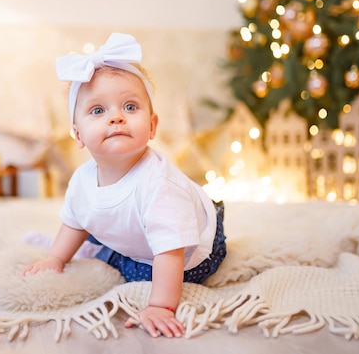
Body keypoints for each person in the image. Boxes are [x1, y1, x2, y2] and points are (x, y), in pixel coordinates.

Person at [22, 32, 226, 338]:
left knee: (134, 272)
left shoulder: (159, 185)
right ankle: (105, 246)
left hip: (190, 252)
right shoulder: (82, 180)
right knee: (99, 233)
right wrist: (56, 258)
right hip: (147, 235)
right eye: (98, 111)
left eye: (130, 107)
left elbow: (170, 253)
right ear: (78, 135)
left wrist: (160, 305)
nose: (116, 117)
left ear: (153, 125)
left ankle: (106, 250)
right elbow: (75, 222)